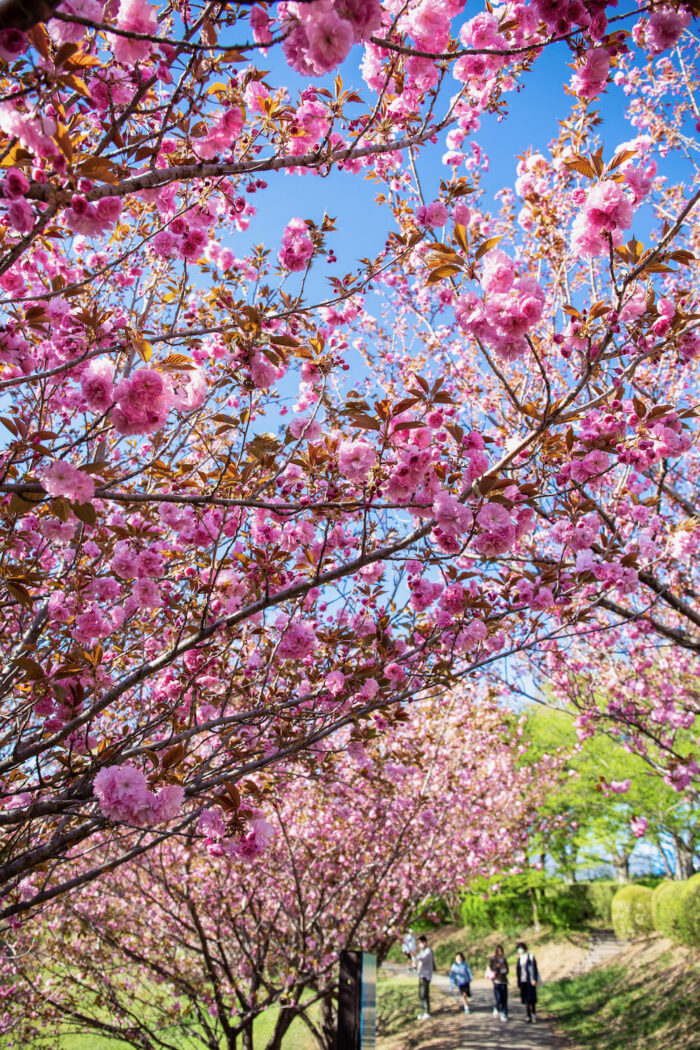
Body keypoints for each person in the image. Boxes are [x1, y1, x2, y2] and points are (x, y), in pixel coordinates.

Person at [516, 941, 540, 1023]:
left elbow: (534, 969)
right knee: (526, 999)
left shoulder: (530, 957)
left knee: (531, 999)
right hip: (523, 981)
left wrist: (534, 979)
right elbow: (518, 972)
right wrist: (518, 982)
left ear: (524, 949)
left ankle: (533, 1014)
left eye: (521, 948)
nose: (520, 950)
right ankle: (528, 1015)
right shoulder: (519, 959)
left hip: (530, 980)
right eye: (518, 949)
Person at [486, 944, 509, 1022]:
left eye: (501, 951)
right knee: (498, 998)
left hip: (504, 981)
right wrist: (497, 966)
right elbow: (491, 968)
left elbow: (507, 970)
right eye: (499, 951)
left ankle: (504, 1014)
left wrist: (504, 967)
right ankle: (496, 1007)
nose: (500, 953)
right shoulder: (493, 959)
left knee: (504, 999)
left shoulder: (504, 960)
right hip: (496, 981)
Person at [415, 934, 434, 1020]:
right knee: (421, 994)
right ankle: (423, 1011)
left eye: (421, 943)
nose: (420, 945)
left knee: (424, 993)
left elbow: (423, 959)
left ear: (425, 942)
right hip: (421, 975)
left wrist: (416, 956)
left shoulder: (428, 951)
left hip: (426, 975)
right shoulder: (422, 951)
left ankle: (427, 1011)